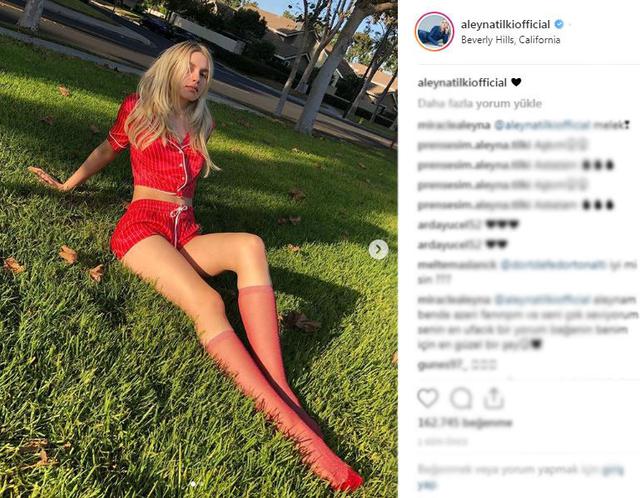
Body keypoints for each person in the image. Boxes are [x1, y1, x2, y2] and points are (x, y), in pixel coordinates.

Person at [28, 40, 364, 493]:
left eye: (204, 73)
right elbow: (108, 149)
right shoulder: (138, 108)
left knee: (250, 245)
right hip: (142, 228)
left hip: (184, 230)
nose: (196, 78)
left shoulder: (203, 121)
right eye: (189, 68)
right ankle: (292, 429)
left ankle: (281, 390)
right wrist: (68, 184)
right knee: (207, 302)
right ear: (170, 69)